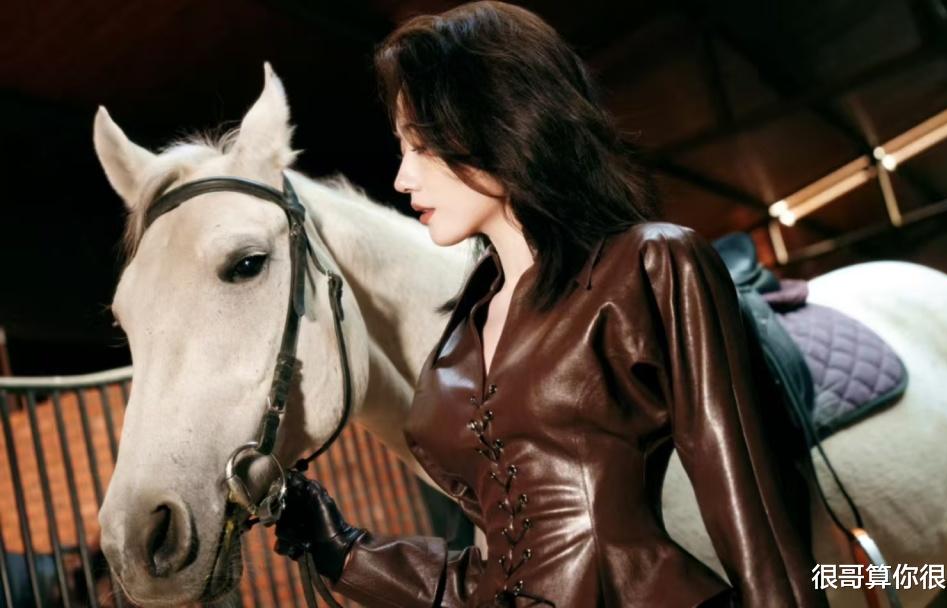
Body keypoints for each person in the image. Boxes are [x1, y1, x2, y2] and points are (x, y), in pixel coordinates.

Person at [274, 2, 828, 607]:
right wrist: (342, 551)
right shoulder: (460, 338)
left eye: (422, 145)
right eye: (401, 148)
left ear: (499, 121)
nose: (403, 178)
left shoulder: (651, 264)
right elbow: (493, 583)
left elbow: (754, 524)